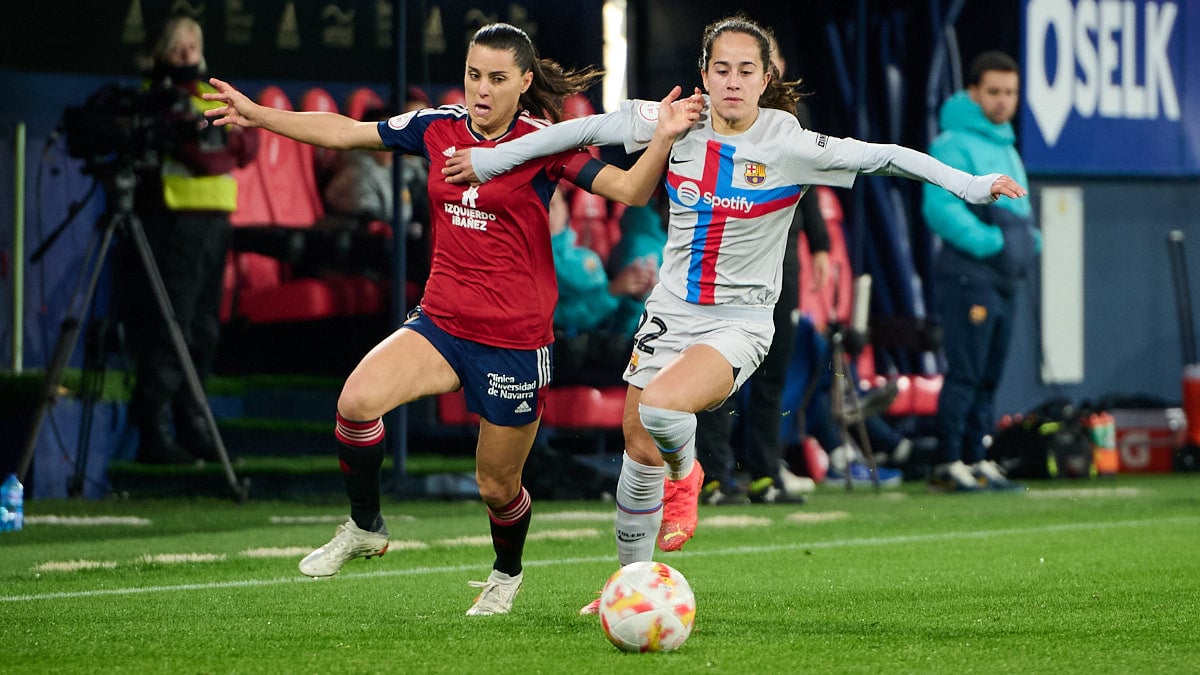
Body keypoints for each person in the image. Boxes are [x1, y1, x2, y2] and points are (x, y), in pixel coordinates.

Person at [443, 14, 1026, 615]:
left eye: (746, 70)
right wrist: (491, 161)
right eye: (720, 69)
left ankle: (689, 475)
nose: (732, 81)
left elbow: (887, 157)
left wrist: (970, 184)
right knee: (638, 446)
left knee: (665, 408)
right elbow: (579, 128)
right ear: (703, 74)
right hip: (670, 311)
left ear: (765, 77)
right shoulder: (677, 120)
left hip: (739, 323)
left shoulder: (790, 143)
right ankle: (630, 587)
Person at [203, 22, 702, 616]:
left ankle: (506, 572)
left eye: (496, 79)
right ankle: (365, 526)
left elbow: (628, 191)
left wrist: (664, 138)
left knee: (496, 486)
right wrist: (259, 114)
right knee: (356, 403)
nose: (481, 90)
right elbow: (344, 132)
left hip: (514, 341)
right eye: (473, 75)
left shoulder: (547, 141)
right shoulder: (435, 128)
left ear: (522, 83)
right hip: (441, 322)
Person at [694, 32, 831, 506]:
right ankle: (712, 476)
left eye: (754, 63)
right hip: (721, 264)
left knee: (773, 373)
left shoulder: (791, 121)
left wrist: (822, 245)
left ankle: (765, 473)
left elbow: (812, 178)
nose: (738, 76)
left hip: (781, 261)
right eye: (729, 66)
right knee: (715, 376)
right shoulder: (700, 117)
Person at [124, 16, 259, 465]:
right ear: (162, 52)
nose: (187, 55)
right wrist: (225, 144)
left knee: (203, 328)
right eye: (177, 47)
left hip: (214, 222)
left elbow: (245, 151)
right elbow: (200, 158)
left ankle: (193, 424)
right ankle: (154, 430)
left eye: (193, 46)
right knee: (171, 325)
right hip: (173, 219)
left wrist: (231, 141)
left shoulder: (209, 93)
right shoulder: (158, 96)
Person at [922, 51, 1039, 493]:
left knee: (990, 374)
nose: (1002, 101)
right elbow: (940, 208)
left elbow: (1021, 208)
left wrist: (1032, 241)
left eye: (1010, 92)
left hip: (1004, 280)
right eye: (993, 92)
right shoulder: (952, 142)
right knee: (966, 372)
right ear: (973, 92)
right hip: (969, 276)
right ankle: (948, 460)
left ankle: (976, 456)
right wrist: (995, 244)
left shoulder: (1005, 143)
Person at [548, 184, 659, 386]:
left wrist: (636, 299)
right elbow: (556, 316)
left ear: (566, 208)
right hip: (555, 360)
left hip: (596, 357)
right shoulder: (524, 263)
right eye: (541, 205)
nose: (548, 213)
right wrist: (612, 291)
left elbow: (612, 325)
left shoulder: (587, 260)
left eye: (553, 204)